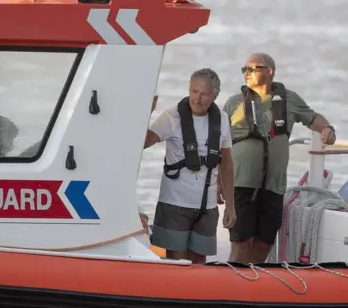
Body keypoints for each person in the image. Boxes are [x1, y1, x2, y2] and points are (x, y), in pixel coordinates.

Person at [220, 52, 336, 264]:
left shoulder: (289, 99)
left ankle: (252, 289)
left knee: (263, 244)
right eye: (244, 69)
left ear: (269, 71)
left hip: (274, 186)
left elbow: (313, 118)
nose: (247, 73)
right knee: (241, 243)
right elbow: (218, 144)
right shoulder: (233, 103)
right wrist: (218, 183)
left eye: (252, 69)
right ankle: (232, 287)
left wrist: (327, 129)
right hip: (240, 185)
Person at [144, 68, 236, 264]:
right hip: (175, 204)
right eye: (194, 91)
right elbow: (143, 142)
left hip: (207, 206)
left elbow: (227, 164)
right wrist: (146, 110)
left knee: (199, 264)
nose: (197, 98)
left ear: (214, 95)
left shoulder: (222, 119)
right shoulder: (172, 117)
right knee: (176, 263)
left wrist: (230, 205)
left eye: (204, 94)